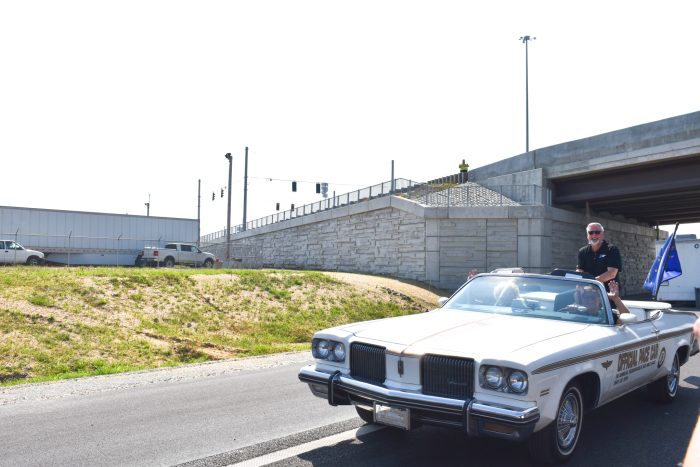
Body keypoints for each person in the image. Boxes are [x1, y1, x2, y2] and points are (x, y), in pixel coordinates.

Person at [576, 222, 621, 292]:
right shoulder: (582, 251)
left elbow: (611, 274)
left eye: (597, 232)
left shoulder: (612, 249)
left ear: (602, 234)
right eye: (590, 233)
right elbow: (580, 270)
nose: (594, 235)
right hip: (587, 293)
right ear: (587, 235)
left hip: (608, 294)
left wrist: (591, 282)